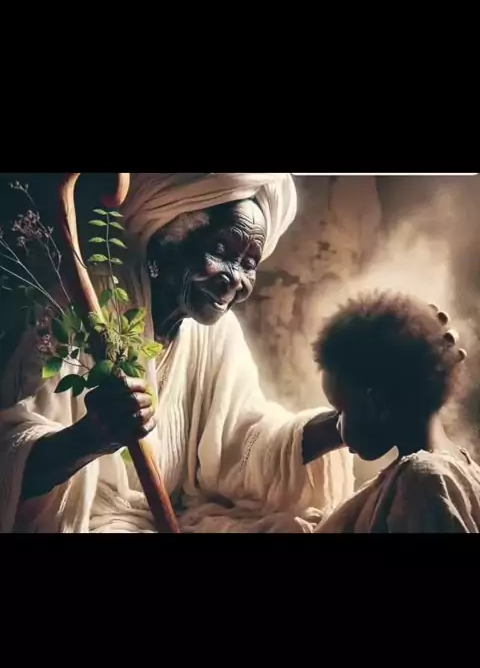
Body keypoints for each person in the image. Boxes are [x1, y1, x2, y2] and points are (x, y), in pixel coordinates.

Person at [0, 173, 353, 533]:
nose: (236, 279)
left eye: (249, 263)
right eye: (220, 250)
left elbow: (243, 443)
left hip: (176, 518)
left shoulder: (217, 334)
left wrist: (338, 427)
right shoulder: (81, 309)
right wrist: (89, 438)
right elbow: (9, 456)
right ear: (166, 239)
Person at [313, 292, 480, 533]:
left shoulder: (422, 484)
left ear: (378, 406)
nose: (336, 426)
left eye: (340, 411)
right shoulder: (459, 469)